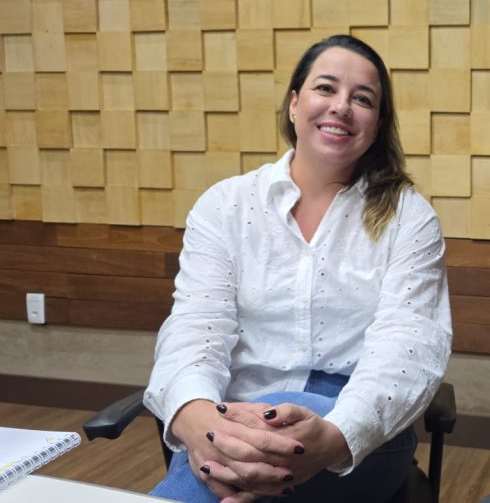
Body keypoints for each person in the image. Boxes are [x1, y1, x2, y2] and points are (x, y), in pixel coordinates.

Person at [143, 34, 452, 503]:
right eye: (325, 88)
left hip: (357, 438)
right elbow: (195, 329)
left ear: (377, 125)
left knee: (279, 421)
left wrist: (336, 434)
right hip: (231, 420)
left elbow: (408, 348)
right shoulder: (225, 206)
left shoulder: (409, 219)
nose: (341, 106)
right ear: (293, 105)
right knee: (255, 438)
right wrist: (197, 418)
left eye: (362, 99)